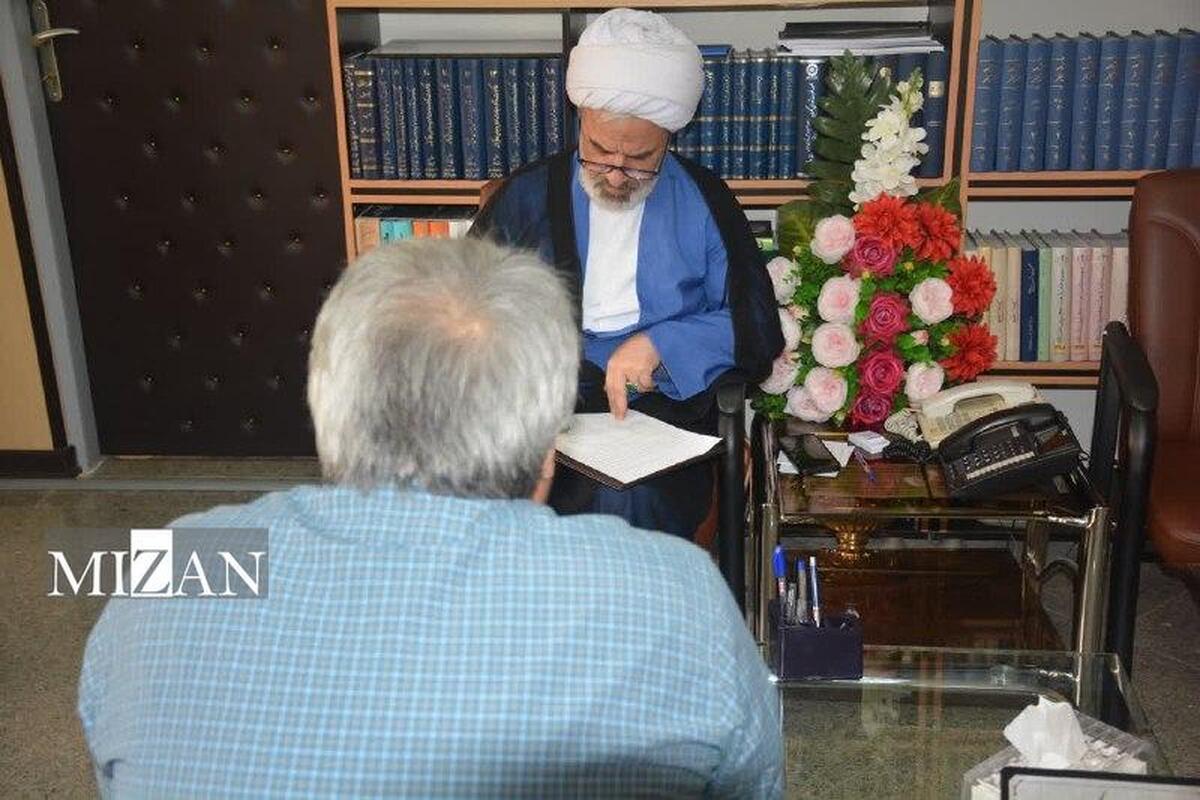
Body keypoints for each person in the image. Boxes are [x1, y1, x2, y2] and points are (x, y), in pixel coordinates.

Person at [77, 239, 783, 798]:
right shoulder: (674, 592)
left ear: (326, 407)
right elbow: (750, 783)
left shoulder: (161, 566)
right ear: (549, 448)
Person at [471, 8, 783, 540]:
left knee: (628, 498)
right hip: (543, 406)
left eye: (639, 158)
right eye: (598, 151)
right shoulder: (527, 196)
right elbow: (463, 312)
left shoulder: (705, 199)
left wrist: (663, 343)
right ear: (581, 120)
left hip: (663, 411)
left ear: (668, 138)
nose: (616, 175)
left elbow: (754, 323)